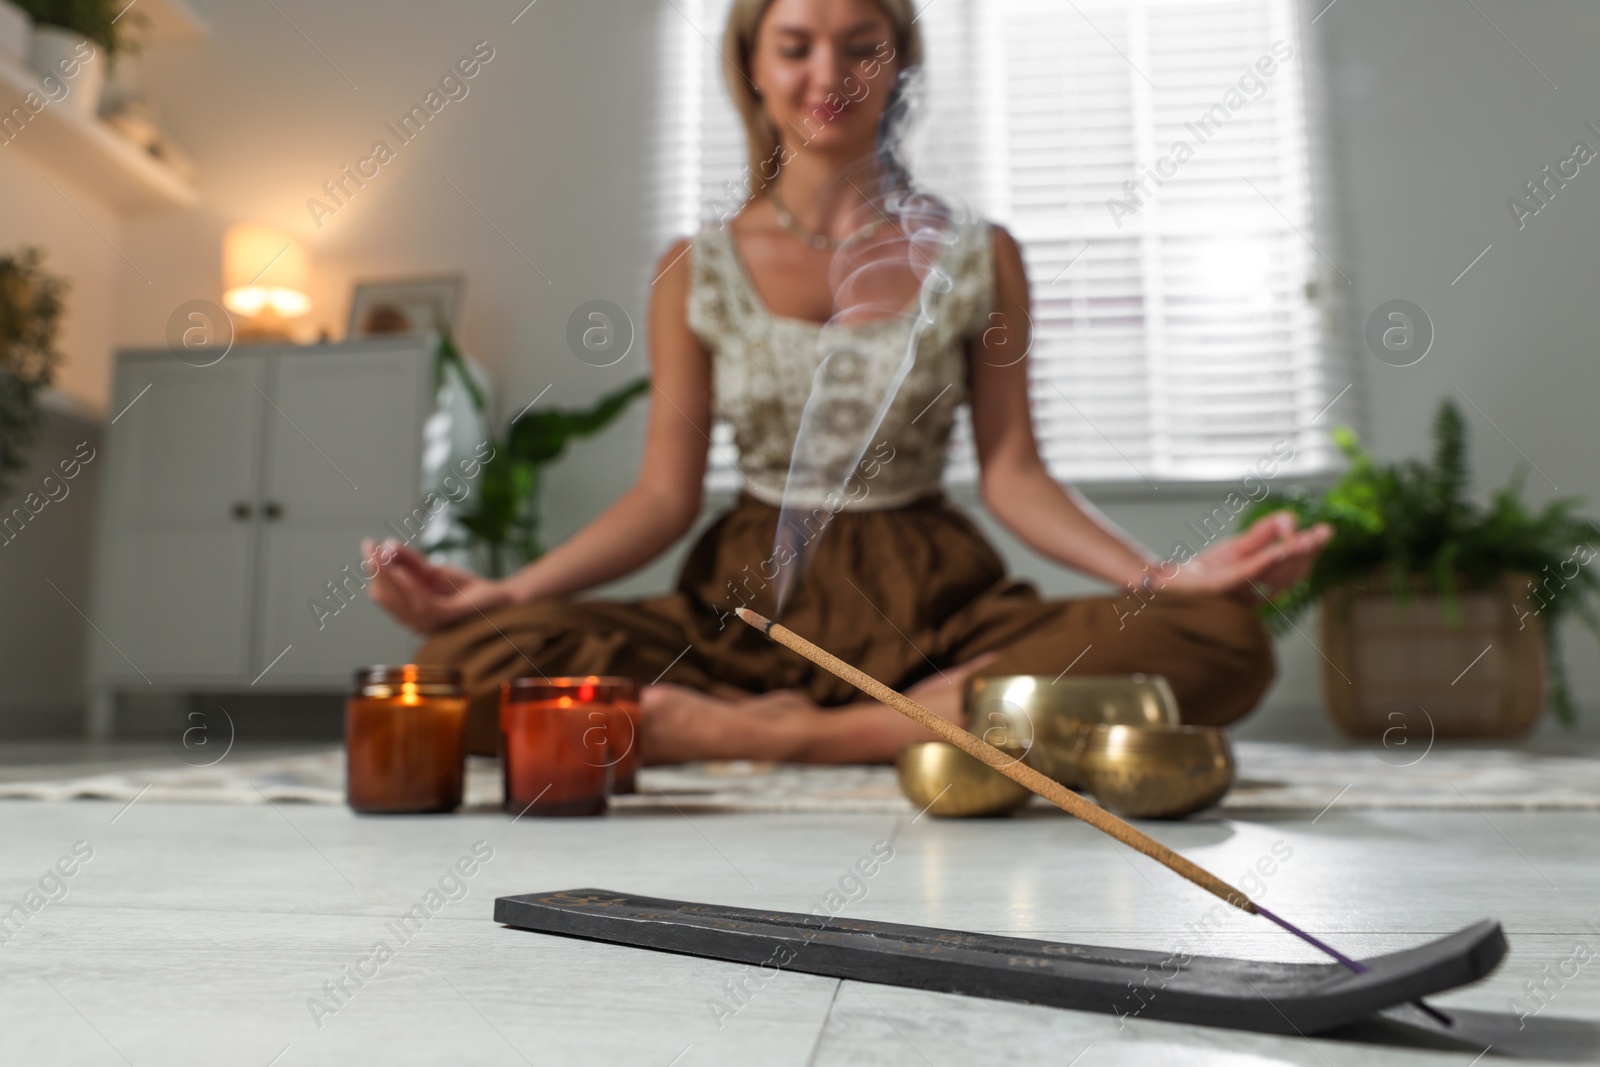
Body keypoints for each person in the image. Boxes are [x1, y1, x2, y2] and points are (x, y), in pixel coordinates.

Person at [363, 0, 1332, 765]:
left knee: (1222, 641)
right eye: (795, 47)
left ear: (897, 62)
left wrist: (1165, 578)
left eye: (859, 46)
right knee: (457, 666)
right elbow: (662, 496)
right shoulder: (690, 266)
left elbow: (1014, 474)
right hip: (740, 607)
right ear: (751, 63)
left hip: (938, 605)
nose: (826, 76)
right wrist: (499, 596)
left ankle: (810, 733)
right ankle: (925, 724)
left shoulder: (979, 253)